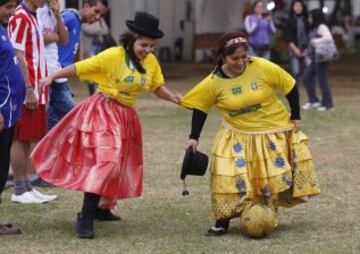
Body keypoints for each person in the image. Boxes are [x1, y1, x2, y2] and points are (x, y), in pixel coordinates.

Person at [30, 12, 181, 239]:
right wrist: (52, 77)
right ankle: (86, 216)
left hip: (126, 116)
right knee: (106, 162)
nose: (148, 50)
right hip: (103, 111)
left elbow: (157, 86)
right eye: (143, 45)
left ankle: (102, 208)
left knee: (116, 163)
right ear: (131, 39)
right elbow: (80, 67)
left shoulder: (150, 62)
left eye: (152, 46)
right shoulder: (113, 55)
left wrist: (174, 98)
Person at [180, 31, 320, 236]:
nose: (240, 62)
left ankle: (263, 215)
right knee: (227, 177)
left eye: (244, 57)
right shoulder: (214, 81)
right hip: (235, 134)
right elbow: (200, 107)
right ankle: (222, 221)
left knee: (264, 178)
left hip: (269, 131)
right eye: (234, 58)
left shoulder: (261, 66)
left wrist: (296, 115)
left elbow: (289, 85)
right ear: (223, 57)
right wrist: (194, 137)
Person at [7, 0, 57, 204]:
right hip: (27, 90)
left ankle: (26, 185)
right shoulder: (19, 17)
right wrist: (28, 89)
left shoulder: (33, 16)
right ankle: (18, 189)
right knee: (21, 137)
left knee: (29, 137)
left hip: (37, 88)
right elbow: (18, 54)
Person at [47, 0, 108, 130]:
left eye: (101, 15)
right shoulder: (70, 17)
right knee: (74, 118)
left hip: (60, 76)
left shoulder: (77, 22)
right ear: (86, 6)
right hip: (54, 74)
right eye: (96, 11)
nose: (97, 18)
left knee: (53, 123)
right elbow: (50, 32)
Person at [0, 0, 24, 235]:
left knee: (1, 166)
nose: (12, 11)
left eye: (13, 6)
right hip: (1, 111)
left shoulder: (3, 29)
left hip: (9, 111)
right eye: (7, 6)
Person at [302, 9, 335, 111]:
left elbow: (329, 38)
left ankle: (328, 104)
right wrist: (307, 51)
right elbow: (311, 43)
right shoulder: (314, 28)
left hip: (321, 58)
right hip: (314, 58)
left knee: (322, 81)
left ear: (316, 17)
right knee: (306, 78)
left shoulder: (322, 26)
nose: (309, 19)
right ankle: (314, 100)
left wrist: (316, 41)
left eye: (310, 17)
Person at [284, 0, 310, 88]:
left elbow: (310, 35)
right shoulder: (289, 20)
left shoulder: (307, 20)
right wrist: (295, 49)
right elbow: (288, 36)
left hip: (306, 48)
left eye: (300, 6)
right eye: (296, 6)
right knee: (295, 71)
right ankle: (296, 87)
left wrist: (307, 49)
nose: (298, 8)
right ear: (292, 7)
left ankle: (309, 85)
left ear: (303, 7)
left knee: (310, 67)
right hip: (293, 48)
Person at [82, 15, 110, 95]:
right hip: (90, 48)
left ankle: (100, 91)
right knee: (90, 70)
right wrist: (99, 30)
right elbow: (89, 30)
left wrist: (98, 29)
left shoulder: (101, 20)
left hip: (100, 47)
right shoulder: (86, 20)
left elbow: (106, 30)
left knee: (100, 70)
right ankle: (92, 91)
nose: (97, 15)